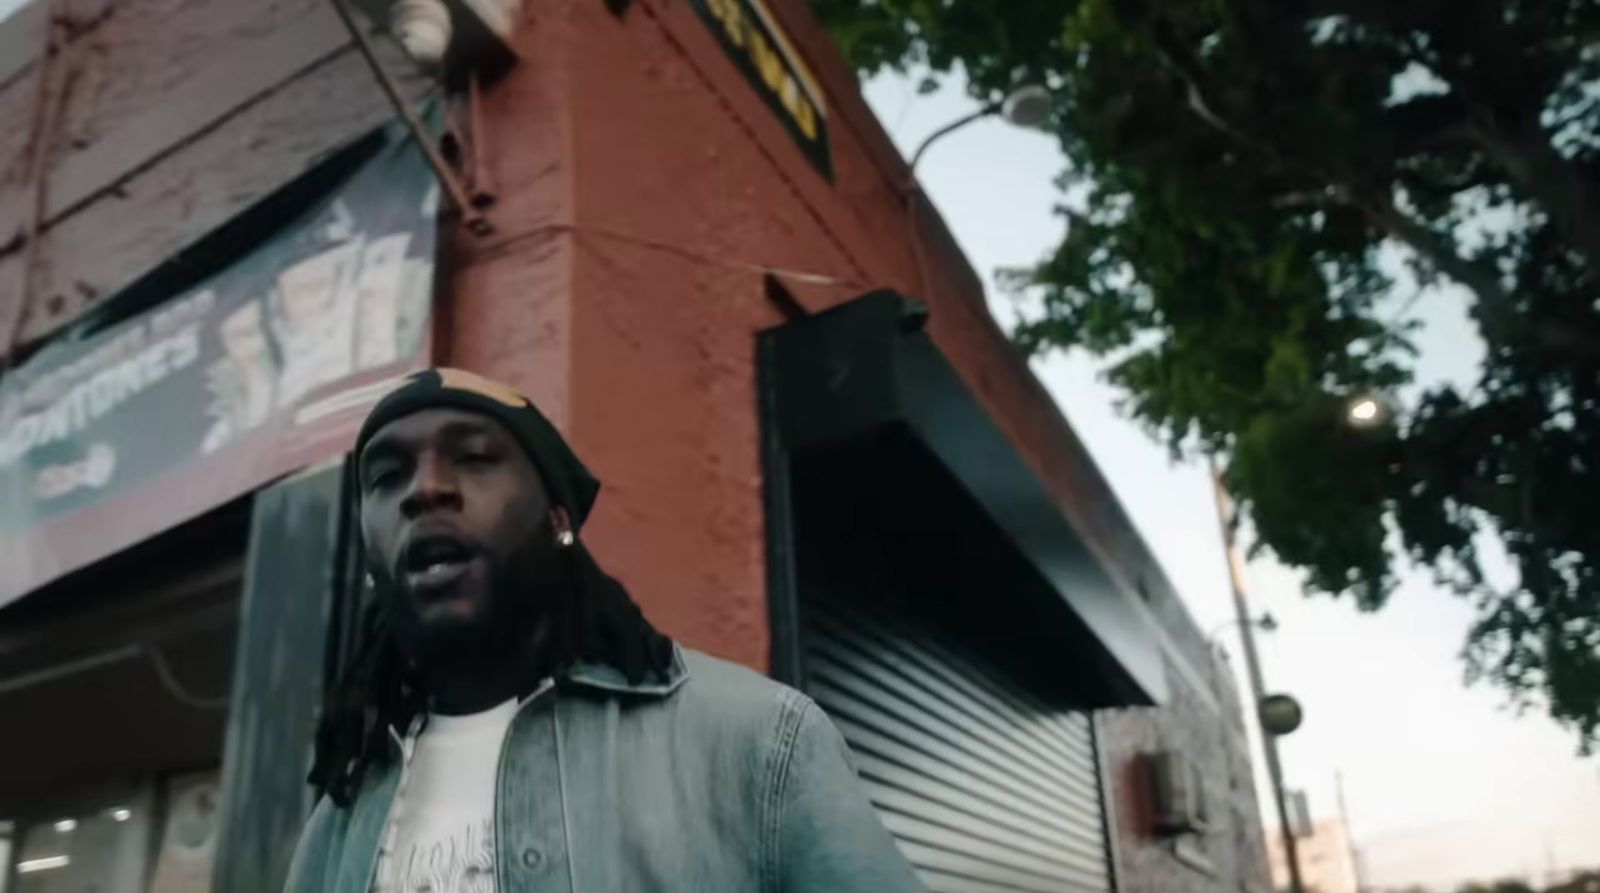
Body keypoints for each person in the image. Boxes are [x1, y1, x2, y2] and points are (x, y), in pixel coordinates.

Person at [284, 367, 923, 893]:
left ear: (559, 518)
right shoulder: (340, 815)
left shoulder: (758, 741)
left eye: (475, 457)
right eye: (387, 477)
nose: (423, 491)